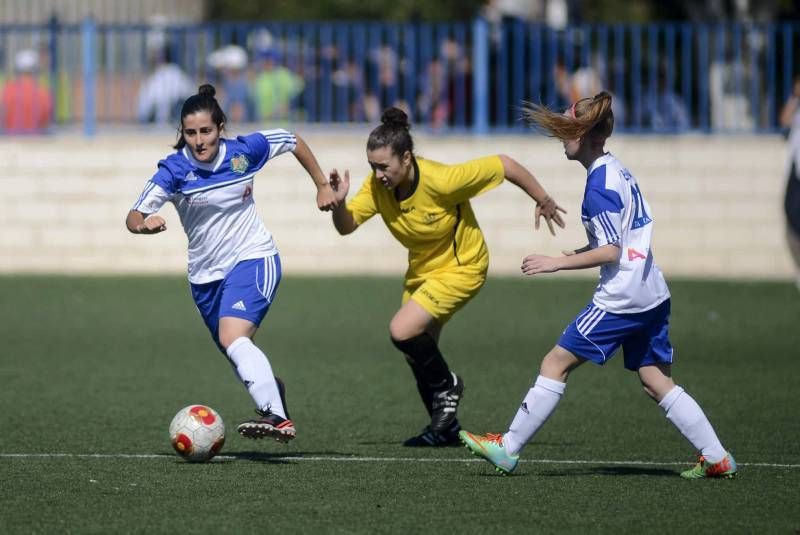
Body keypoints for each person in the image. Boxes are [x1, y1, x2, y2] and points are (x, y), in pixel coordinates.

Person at [459, 92, 737, 479]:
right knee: (656, 379)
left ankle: (508, 448)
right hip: (651, 291)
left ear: (587, 134)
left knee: (555, 363)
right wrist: (575, 250)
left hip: (622, 297)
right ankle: (717, 456)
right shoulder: (615, 170)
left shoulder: (599, 186)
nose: (562, 137)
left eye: (568, 129)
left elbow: (610, 251)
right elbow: (618, 239)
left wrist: (557, 263)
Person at [328, 107, 566, 447]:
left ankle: (449, 386)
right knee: (418, 353)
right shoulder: (377, 188)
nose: (378, 173)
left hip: (463, 267)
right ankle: (445, 429)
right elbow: (347, 226)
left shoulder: (442, 180)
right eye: (372, 166)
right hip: (422, 273)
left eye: (384, 166)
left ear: (406, 158)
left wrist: (543, 198)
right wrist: (339, 205)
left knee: (402, 330)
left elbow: (504, 163)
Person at [126, 84, 338, 443]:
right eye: (190, 133)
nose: (198, 140)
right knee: (235, 350)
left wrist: (321, 184)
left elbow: (291, 139)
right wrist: (143, 226)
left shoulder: (244, 151)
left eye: (206, 131)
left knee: (232, 337)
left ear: (220, 128)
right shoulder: (174, 170)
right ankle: (274, 392)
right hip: (205, 279)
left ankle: (278, 418)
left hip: (255, 258)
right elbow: (134, 214)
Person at [779, 75, 800, 291]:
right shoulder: (796, 109)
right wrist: (794, 98)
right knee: (791, 214)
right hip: (796, 172)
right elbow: (784, 120)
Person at [1, 48, 53, 133]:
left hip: (10, 138)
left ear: (17, 70)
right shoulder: (43, 92)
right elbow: (46, 121)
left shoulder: (7, 91)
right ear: (36, 70)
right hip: (36, 139)